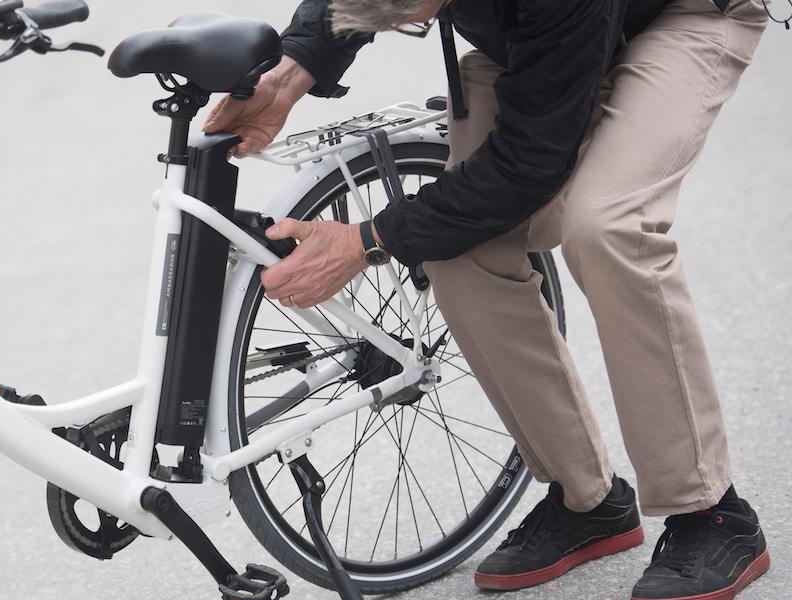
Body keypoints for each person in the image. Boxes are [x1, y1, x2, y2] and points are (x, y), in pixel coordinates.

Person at [203, 0, 772, 598]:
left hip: (679, 16)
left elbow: (528, 164)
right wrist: (291, 73)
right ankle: (589, 502)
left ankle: (710, 510)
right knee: (460, 249)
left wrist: (366, 240)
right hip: (537, 43)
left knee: (607, 226)